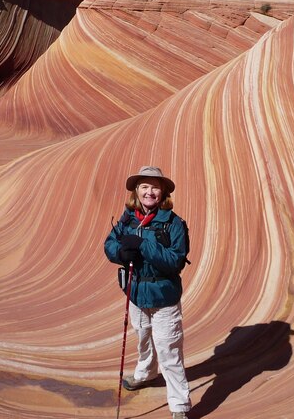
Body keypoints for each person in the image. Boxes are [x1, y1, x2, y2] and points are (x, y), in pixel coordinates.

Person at [104, 165, 191, 419]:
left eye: (155, 187)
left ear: (163, 192)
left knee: (169, 351)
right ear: (136, 191)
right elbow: (110, 243)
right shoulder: (128, 218)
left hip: (164, 298)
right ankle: (145, 373)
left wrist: (142, 245)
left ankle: (179, 406)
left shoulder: (173, 223)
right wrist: (120, 253)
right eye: (144, 186)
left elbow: (175, 261)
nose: (149, 192)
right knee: (142, 337)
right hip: (136, 294)